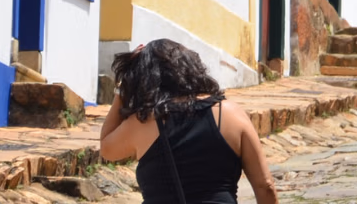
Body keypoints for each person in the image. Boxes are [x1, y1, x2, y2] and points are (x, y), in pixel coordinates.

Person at [99, 39, 279, 204]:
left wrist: (122, 90)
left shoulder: (143, 122)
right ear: (192, 66)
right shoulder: (230, 113)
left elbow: (107, 149)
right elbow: (265, 185)